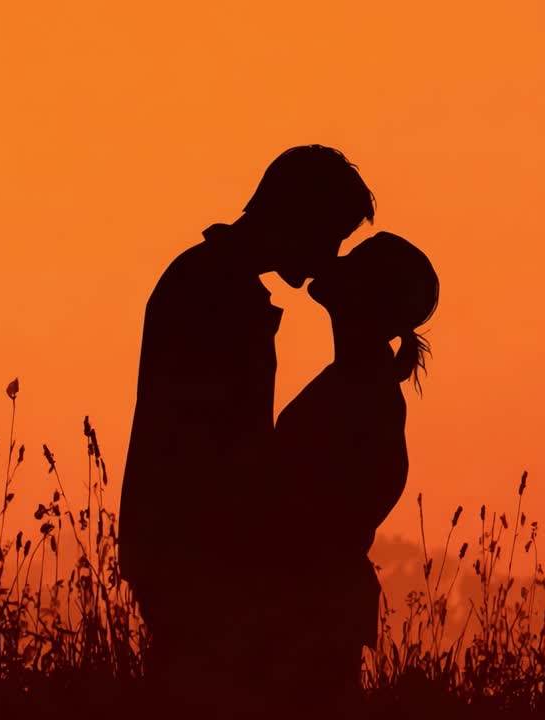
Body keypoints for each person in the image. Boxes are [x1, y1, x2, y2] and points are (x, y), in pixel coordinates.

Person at [117, 145, 375, 703]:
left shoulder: (212, 280)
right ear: (294, 215)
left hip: (192, 547)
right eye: (328, 234)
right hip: (195, 551)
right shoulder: (212, 291)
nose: (327, 257)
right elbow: (212, 440)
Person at [264, 231, 438, 712]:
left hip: (309, 605)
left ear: (368, 297)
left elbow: (312, 514)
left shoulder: (362, 394)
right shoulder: (360, 382)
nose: (335, 260)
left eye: (354, 261)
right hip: (315, 600)